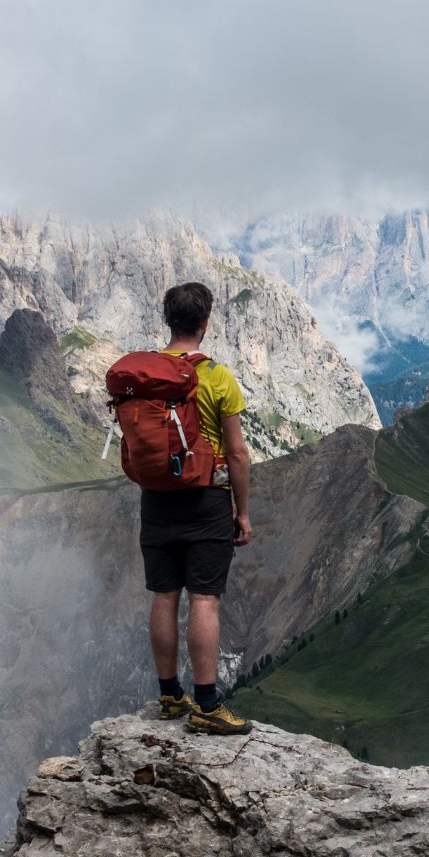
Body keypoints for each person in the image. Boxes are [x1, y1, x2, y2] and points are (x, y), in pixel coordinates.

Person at [141, 282, 254, 734]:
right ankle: (207, 704)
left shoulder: (145, 375)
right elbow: (238, 453)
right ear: (205, 323)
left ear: (168, 320)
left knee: (164, 595)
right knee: (204, 598)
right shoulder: (217, 377)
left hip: (156, 499)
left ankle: (170, 697)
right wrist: (241, 512)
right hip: (207, 498)